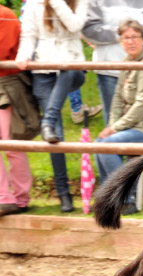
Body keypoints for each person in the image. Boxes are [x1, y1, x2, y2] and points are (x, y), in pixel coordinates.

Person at [95, 20, 143, 215]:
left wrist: (116, 129)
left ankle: (126, 199)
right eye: (125, 38)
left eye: (134, 37)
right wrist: (111, 125)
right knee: (99, 143)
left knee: (106, 147)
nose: (130, 42)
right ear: (120, 41)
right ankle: (111, 198)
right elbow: (117, 99)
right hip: (138, 125)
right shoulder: (128, 63)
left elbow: (142, 105)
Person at [16, 0, 90, 213]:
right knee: (55, 136)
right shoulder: (33, 4)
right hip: (44, 69)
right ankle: (64, 194)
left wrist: (57, 2)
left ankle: (47, 119)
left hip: (72, 65)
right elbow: (28, 34)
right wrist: (23, 56)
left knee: (67, 68)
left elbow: (75, 26)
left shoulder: (80, 1)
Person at [82, 0, 143, 126]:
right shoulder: (98, 2)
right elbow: (88, 30)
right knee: (113, 123)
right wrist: (123, 34)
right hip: (111, 70)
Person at [0, 4, 33, 216]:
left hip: (7, 83)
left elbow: (4, 49)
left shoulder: (6, 15)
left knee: (11, 143)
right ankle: (3, 197)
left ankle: (21, 198)